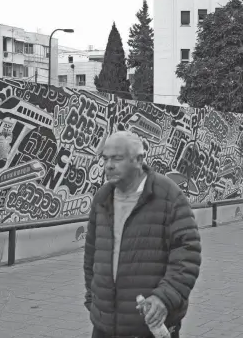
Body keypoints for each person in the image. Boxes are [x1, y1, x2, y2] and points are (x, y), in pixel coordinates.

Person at [84, 131, 202, 338]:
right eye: (105, 158)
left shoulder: (168, 195)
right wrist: (92, 298)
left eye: (117, 158)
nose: (108, 165)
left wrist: (164, 298)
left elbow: (187, 253)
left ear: (138, 160)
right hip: (105, 325)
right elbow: (92, 253)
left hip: (150, 324)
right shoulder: (102, 198)